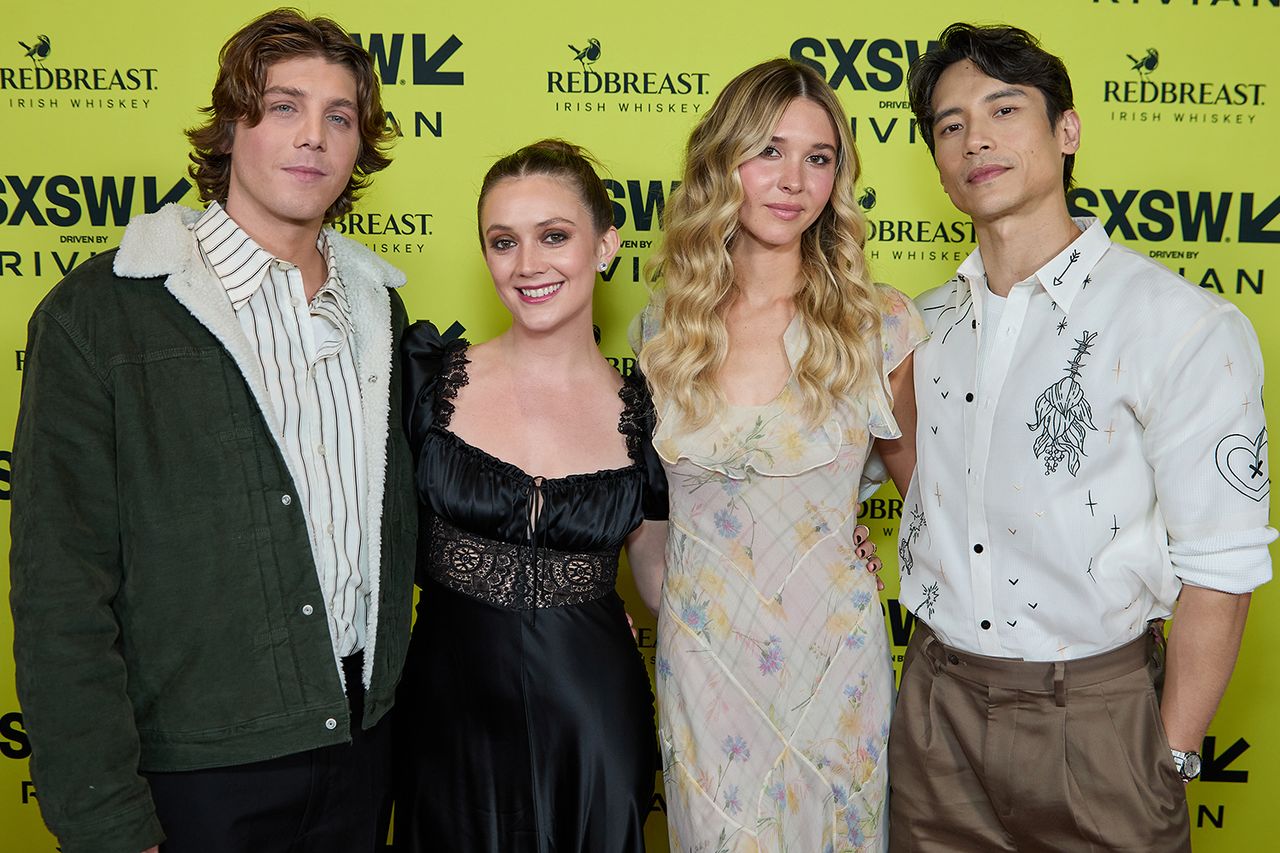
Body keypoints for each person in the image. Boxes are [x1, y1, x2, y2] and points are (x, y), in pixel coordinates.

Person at [9, 10, 416, 853]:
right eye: (284, 106)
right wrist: (105, 821)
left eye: (340, 116)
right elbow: (61, 592)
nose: (313, 136)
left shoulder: (380, 310)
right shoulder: (102, 314)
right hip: (195, 775)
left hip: (362, 750)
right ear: (231, 126)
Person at [891, 22, 1273, 852]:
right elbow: (914, 474)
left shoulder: (1179, 324)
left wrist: (1167, 758)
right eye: (951, 125)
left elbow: (1223, 569)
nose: (975, 139)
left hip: (1100, 719)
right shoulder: (920, 328)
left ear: (1066, 131)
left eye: (1004, 110)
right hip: (933, 714)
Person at [632, 59, 923, 852]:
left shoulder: (879, 326)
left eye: (817, 157)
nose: (794, 179)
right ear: (722, 162)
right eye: (769, 151)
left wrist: (833, 538)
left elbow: (933, 510)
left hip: (836, 665)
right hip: (706, 670)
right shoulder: (664, 330)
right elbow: (650, 517)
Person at [393, 139, 669, 852]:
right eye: (503, 241)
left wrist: (820, 547)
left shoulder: (654, 415)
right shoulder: (423, 381)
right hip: (444, 717)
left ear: (605, 246)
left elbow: (666, 586)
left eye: (553, 236)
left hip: (592, 717)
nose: (527, 264)